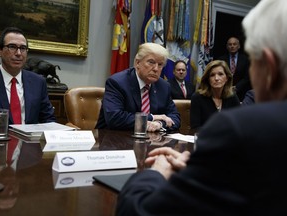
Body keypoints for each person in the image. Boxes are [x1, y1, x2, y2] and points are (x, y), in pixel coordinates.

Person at [116, 0, 287, 215]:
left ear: (269, 66)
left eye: (253, 62)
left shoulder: (239, 128)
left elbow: (137, 210)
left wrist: (157, 171)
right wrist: (201, 168)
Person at [96, 42, 180, 132]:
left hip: (151, 142)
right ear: (137, 63)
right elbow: (115, 118)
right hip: (115, 140)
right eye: (151, 62)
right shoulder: (117, 82)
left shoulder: (163, 86)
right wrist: (152, 117)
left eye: (160, 65)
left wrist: (160, 124)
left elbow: (175, 118)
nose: (156, 69)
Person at [0, 27, 55, 124]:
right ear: (0, 51)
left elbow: (48, 119)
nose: (18, 53)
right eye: (12, 47)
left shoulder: (38, 82)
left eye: (23, 48)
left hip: (31, 139)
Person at [190, 60, 240, 131]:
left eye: (220, 74)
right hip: (207, 140)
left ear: (227, 78)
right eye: (212, 75)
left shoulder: (232, 97)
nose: (216, 78)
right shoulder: (197, 97)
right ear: (208, 79)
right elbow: (195, 128)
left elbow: (240, 123)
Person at [217, 36, 251, 101]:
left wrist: (236, 87)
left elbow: (247, 77)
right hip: (224, 92)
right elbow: (219, 75)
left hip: (241, 92)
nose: (232, 46)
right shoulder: (221, 59)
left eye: (234, 44)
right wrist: (227, 87)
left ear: (239, 46)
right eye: (230, 44)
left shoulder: (245, 59)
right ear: (227, 47)